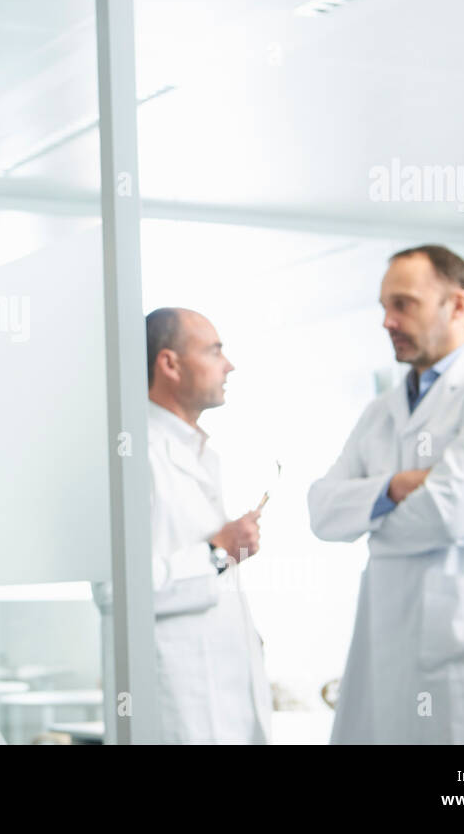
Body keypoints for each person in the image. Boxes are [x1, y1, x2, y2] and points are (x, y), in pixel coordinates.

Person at [307, 244, 464, 744]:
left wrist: (368, 516)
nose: (387, 321)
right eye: (383, 306)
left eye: (403, 304)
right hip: (385, 646)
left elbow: (449, 514)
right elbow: (323, 513)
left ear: (457, 305)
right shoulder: (379, 412)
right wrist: (393, 487)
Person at [146, 307, 271, 743]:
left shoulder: (198, 453)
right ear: (169, 364)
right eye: (215, 351)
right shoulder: (135, 453)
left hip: (224, 698)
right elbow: (117, 591)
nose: (229, 365)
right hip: (178, 708)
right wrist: (218, 551)